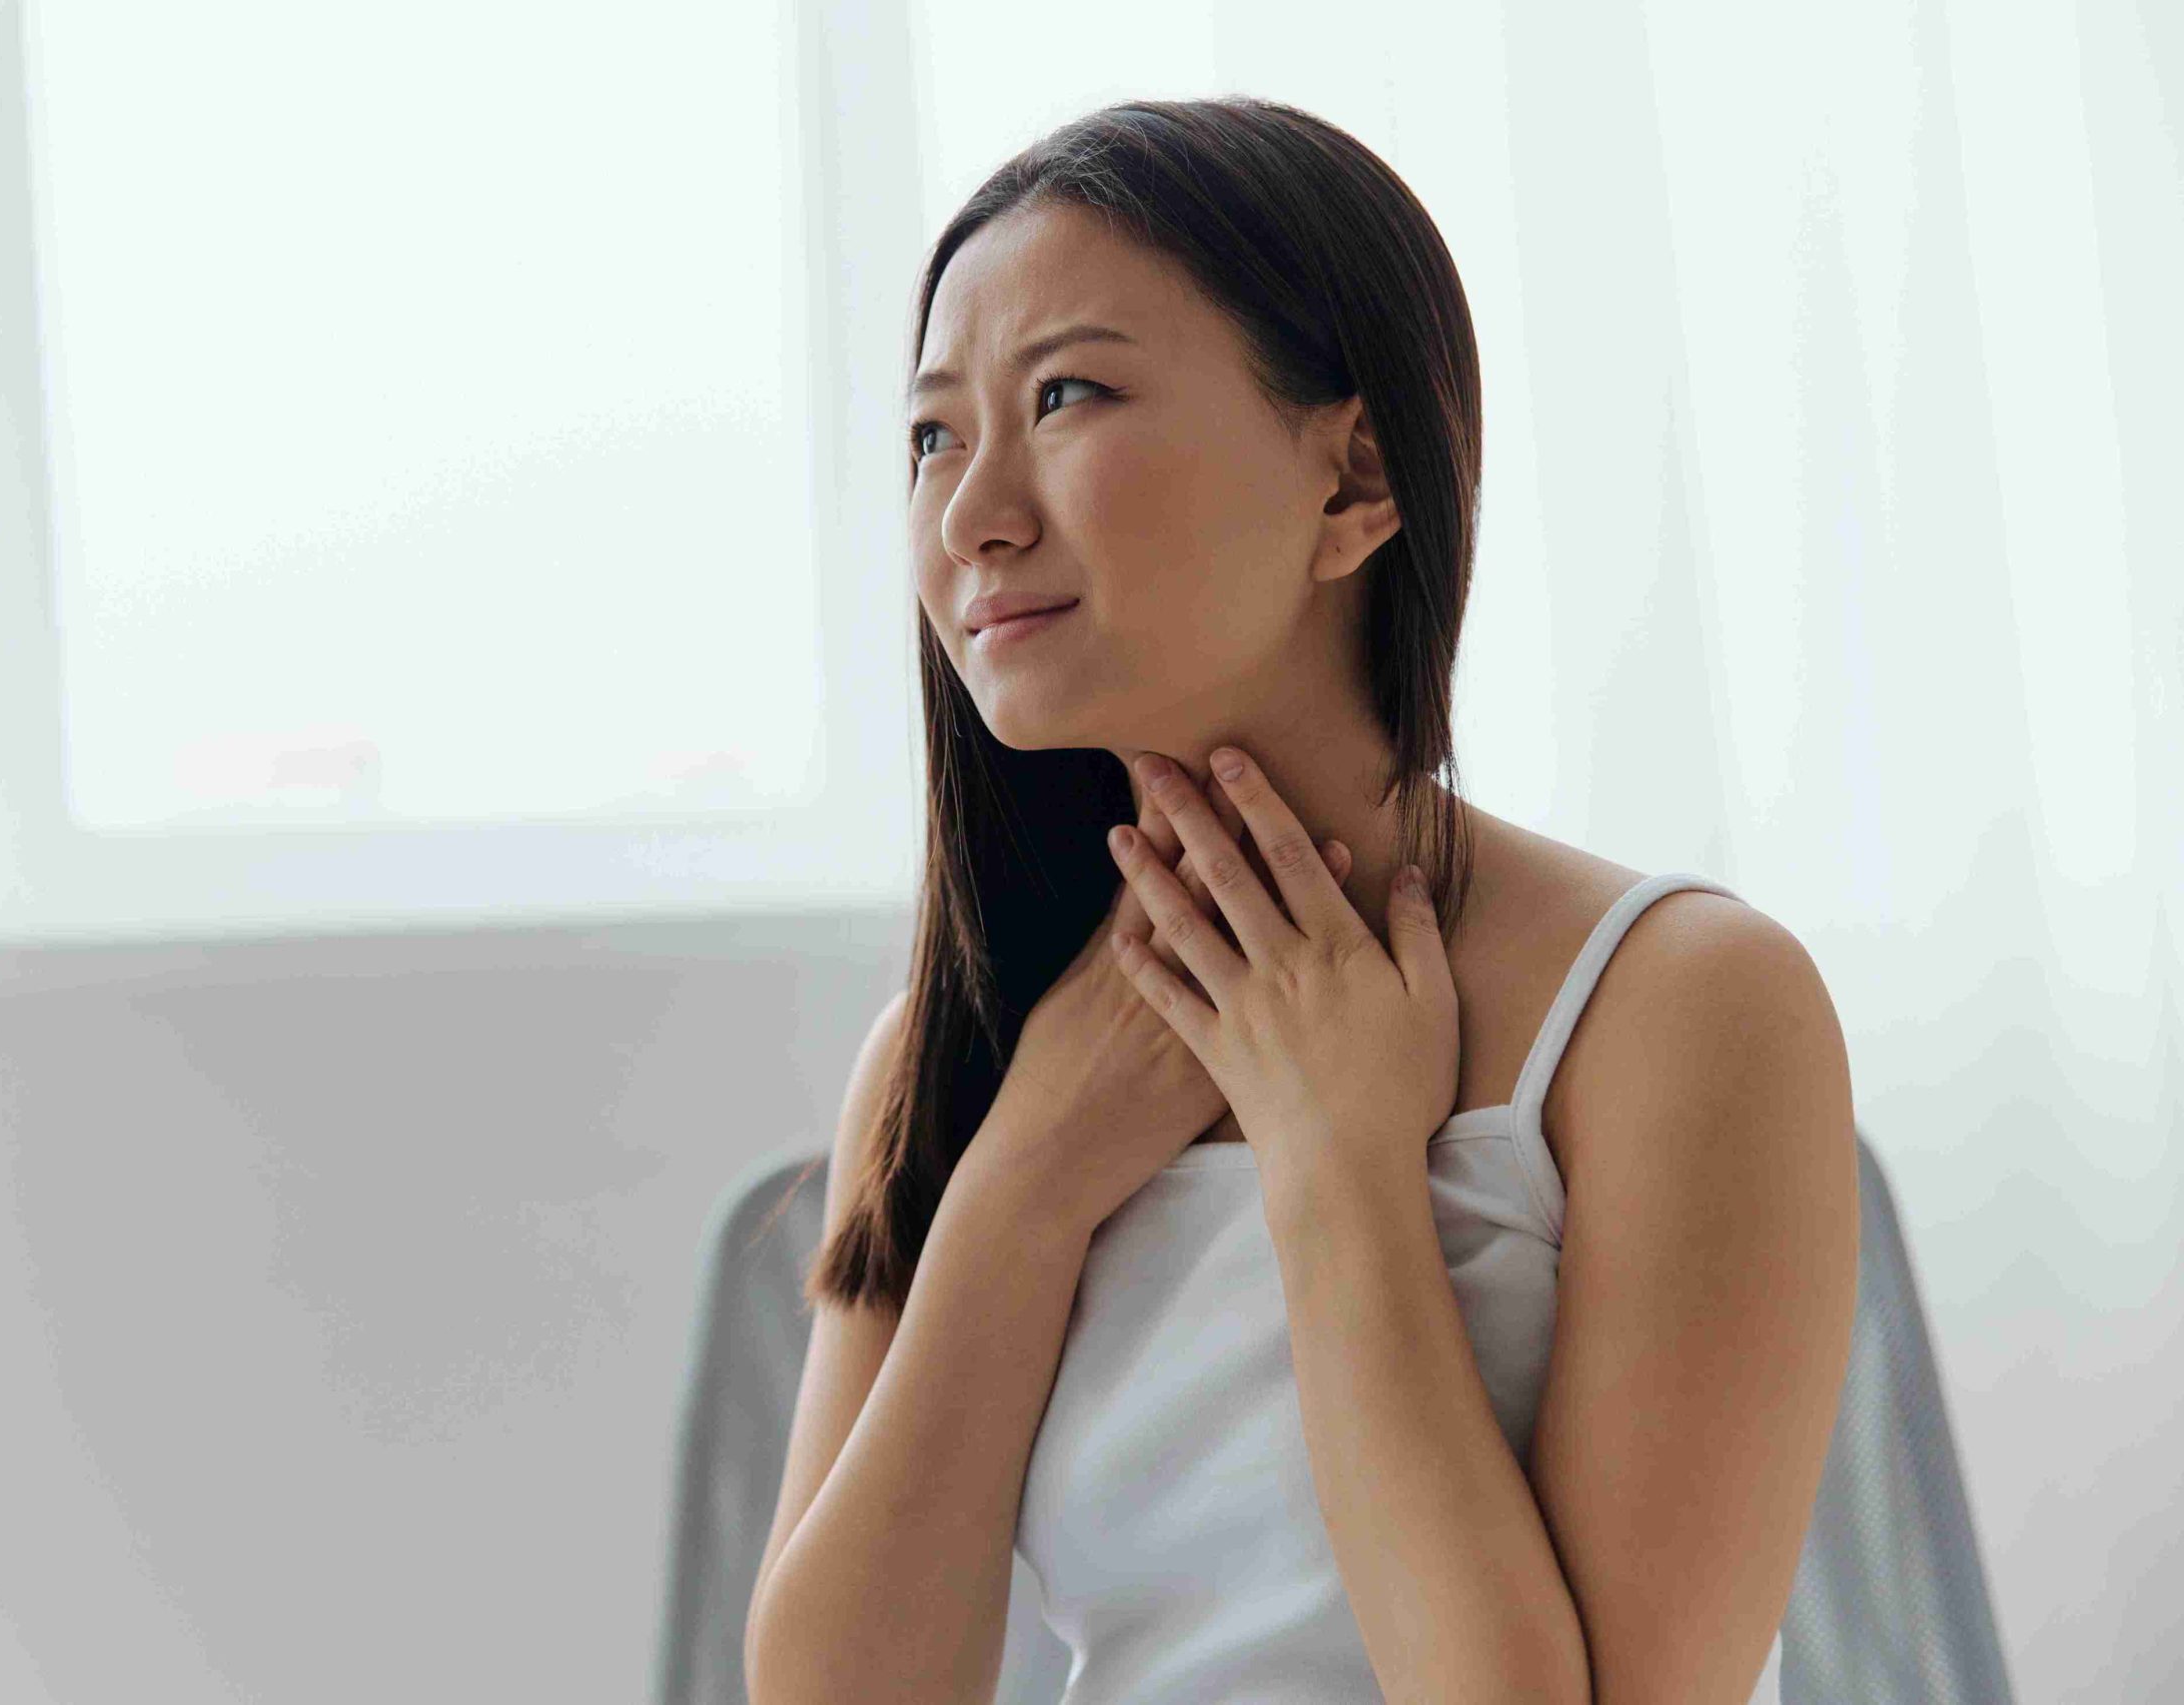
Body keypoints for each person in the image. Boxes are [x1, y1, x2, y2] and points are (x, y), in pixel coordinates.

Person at [744, 95, 1857, 1705]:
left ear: (1355, 480)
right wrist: (1026, 1187)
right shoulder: (956, 1053)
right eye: (932, 433)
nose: (972, 514)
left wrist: (1341, 1169)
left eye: (1064, 394)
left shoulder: (1679, 1007)